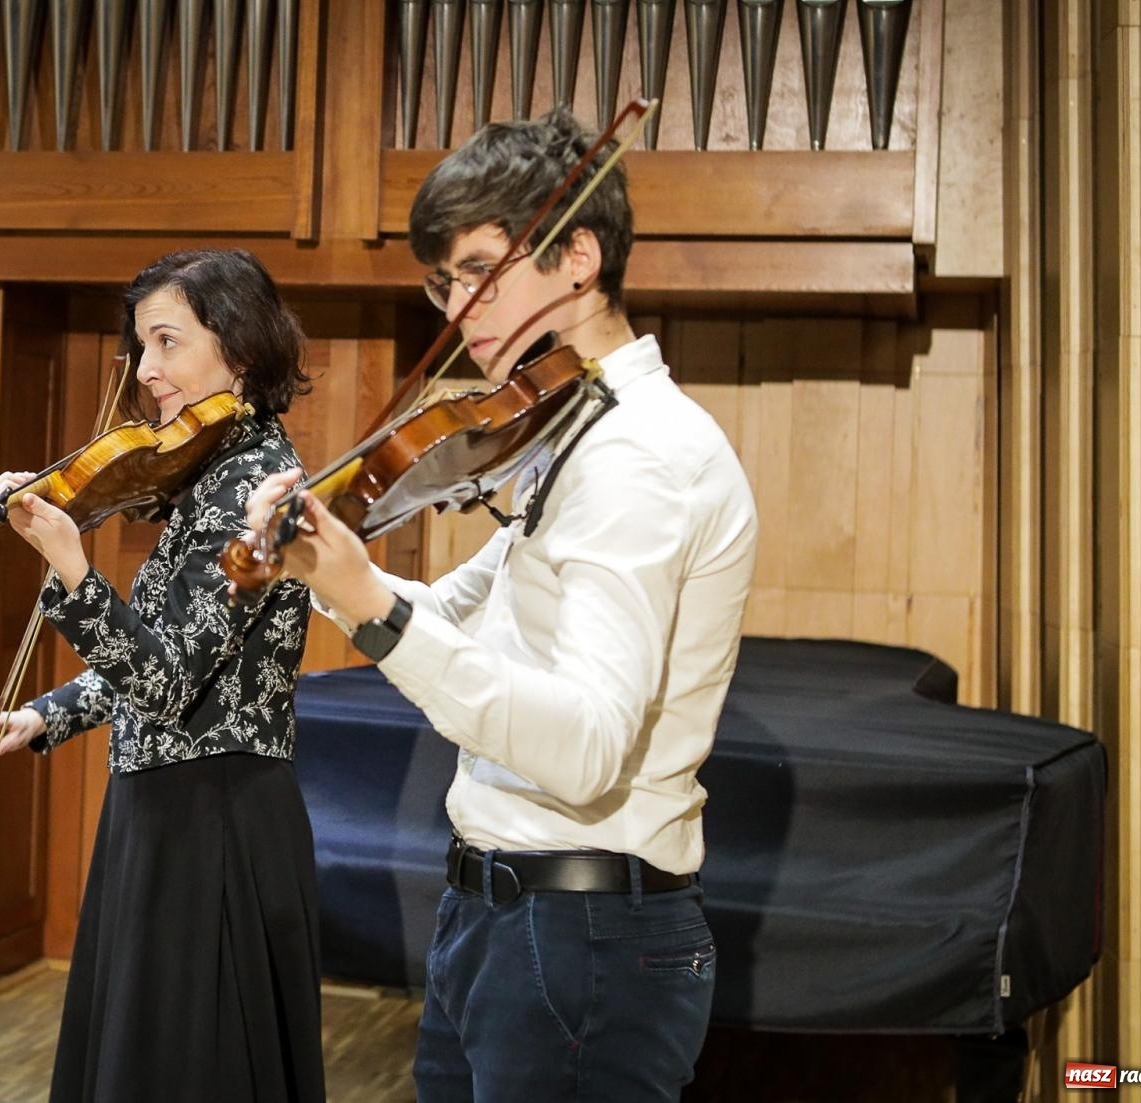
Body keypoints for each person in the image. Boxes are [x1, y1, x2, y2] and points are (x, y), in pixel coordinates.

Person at [243, 107, 758, 1100]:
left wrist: (368, 604)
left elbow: (588, 746)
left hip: (582, 934)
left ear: (579, 256)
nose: (462, 304)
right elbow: (456, 610)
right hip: (506, 917)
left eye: (483, 266)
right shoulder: (569, 434)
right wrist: (331, 570)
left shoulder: (637, 455)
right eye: (445, 281)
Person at [0, 248, 325, 1103]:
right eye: (142, 346)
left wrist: (74, 570)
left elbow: (170, 681)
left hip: (217, 820)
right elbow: (159, 657)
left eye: (166, 342)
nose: (147, 371)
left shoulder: (258, 488)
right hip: (170, 811)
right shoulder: (209, 474)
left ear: (237, 347)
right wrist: (42, 716)